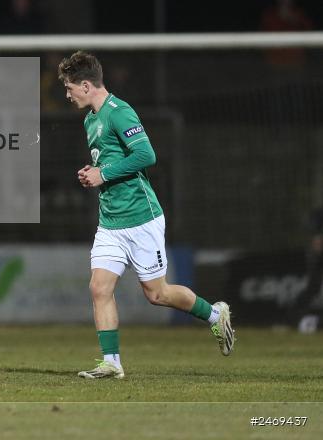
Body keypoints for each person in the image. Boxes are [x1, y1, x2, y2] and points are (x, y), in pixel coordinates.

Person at [57, 51, 234, 380]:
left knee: (157, 294)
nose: (67, 95)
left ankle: (214, 315)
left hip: (141, 217)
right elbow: (108, 163)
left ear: (85, 85)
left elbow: (146, 154)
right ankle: (112, 363)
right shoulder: (90, 120)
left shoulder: (119, 112)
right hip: (110, 222)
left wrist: (103, 174)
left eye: (69, 88)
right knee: (99, 288)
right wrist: (93, 173)